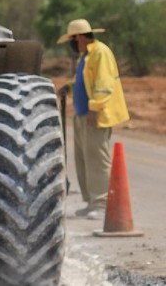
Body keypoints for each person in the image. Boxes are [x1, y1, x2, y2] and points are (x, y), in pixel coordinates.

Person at [56, 19, 130, 220]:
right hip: (82, 115)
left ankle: (102, 203)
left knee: (97, 160)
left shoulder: (100, 52)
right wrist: (70, 87)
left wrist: (95, 108)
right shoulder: (87, 55)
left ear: (78, 37)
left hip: (95, 116)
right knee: (84, 160)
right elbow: (85, 79)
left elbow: (104, 84)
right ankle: (91, 202)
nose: (72, 44)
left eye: (72, 40)